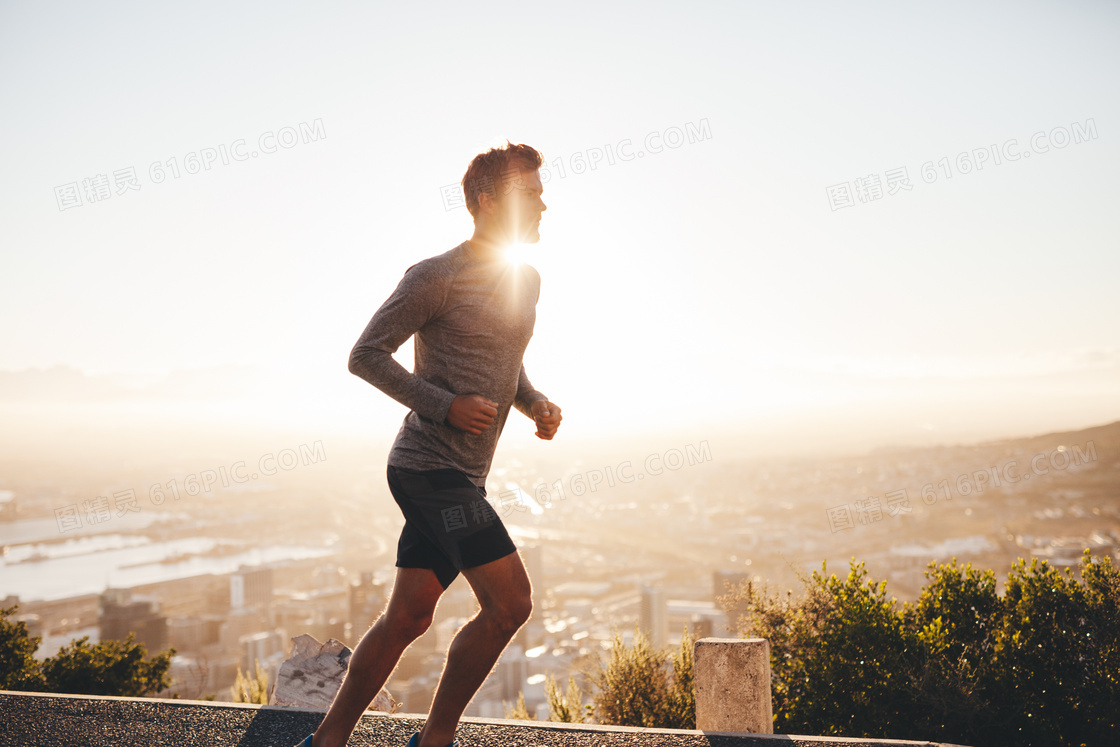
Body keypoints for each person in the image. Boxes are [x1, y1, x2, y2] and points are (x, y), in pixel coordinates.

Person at [295, 142, 561, 747]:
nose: (544, 203)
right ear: (488, 202)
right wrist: (446, 407)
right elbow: (364, 355)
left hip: (466, 475)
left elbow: (504, 363)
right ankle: (436, 739)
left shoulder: (527, 279)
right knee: (511, 604)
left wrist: (533, 401)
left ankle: (327, 740)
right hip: (425, 467)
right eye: (530, 193)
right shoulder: (434, 275)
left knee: (409, 616)